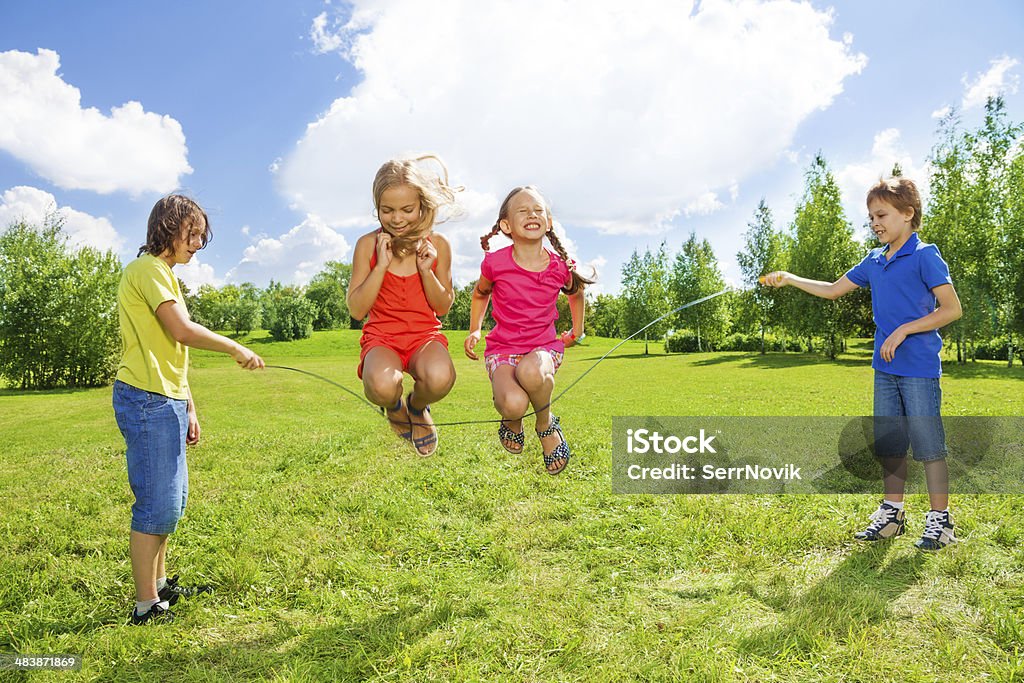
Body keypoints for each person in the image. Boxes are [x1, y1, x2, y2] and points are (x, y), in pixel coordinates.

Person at [763, 176, 962, 550]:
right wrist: (789, 278)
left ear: (908, 213)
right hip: (884, 369)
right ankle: (893, 514)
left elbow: (951, 310)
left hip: (918, 368)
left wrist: (904, 330)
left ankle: (941, 522)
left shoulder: (925, 255)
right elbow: (833, 290)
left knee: (929, 446)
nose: (875, 223)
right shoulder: (874, 260)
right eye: (871, 217)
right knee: (889, 445)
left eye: (882, 214)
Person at [114, 195, 264, 624]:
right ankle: (146, 607)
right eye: (192, 233)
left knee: (171, 503)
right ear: (168, 227)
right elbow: (181, 330)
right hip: (146, 399)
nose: (198, 244)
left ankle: (159, 587)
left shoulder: (162, 275)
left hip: (167, 399)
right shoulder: (147, 270)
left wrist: (190, 407)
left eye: (201, 235)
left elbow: (172, 350)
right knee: (155, 505)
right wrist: (235, 347)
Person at [464, 186, 591, 475]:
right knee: (513, 404)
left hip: (544, 349)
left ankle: (545, 424)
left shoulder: (559, 266)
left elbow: (576, 293)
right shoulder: (495, 264)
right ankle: (512, 421)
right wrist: (475, 329)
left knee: (532, 372)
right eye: (523, 210)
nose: (532, 214)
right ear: (506, 225)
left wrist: (576, 332)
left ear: (548, 222)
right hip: (502, 350)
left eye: (538, 210)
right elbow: (480, 294)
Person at [347, 155, 459, 456]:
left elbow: (443, 306)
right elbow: (357, 310)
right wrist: (380, 266)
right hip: (382, 337)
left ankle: (416, 406)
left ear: (422, 206)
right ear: (377, 208)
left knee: (440, 379)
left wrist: (426, 270)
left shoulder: (439, 245)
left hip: (424, 336)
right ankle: (394, 405)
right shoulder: (368, 245)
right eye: (387, 210)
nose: (397, 218)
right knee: (382, 386)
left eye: (407, 210)